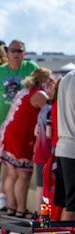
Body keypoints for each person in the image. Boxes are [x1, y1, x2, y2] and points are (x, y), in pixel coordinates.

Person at [0, 39, 38, 210]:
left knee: (11, 163)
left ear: (24, 53)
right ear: (7, 53)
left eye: (19, 51)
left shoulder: (30, 68)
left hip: (17, 126)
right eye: (13, 51)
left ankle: (4, 197)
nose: (16, 54)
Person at [0, 68, 52, 217]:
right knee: (23, 175)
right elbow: (50, 111)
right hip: (22, 137)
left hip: (10, 132)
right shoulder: (39, 94)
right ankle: (21, 209)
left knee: (12, 174)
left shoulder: (25, 90)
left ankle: (11, 207)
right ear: (43, 80)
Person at [55, 70, 75, 222]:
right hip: (72, 149)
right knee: (72, 207)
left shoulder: (67, 76)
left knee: (67, 205)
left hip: (63, 146)